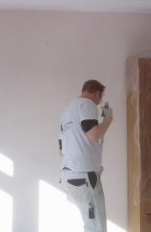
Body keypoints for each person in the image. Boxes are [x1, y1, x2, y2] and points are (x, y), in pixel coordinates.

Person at [59, 79, 113, 232]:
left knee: (90, 224)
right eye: (99, 98)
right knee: (97, 227)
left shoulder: (66, 111)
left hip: (69, 177)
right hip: (85, 177)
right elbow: (94, 135)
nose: (98, 103)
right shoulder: (87, 104)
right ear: (97, 94)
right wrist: (108, 120)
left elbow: (61, 151)